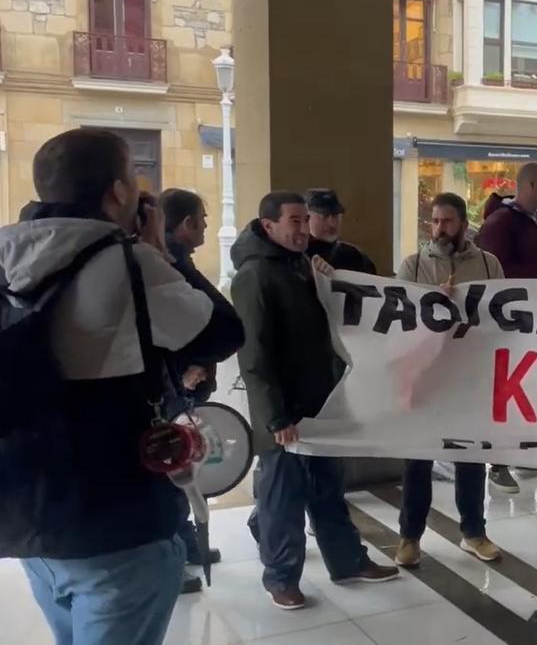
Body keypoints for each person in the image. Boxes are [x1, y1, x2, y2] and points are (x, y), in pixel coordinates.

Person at [0, 128, 243, 644]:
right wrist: (165, 253)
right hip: (113, 525)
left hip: (24, 517)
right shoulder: (130, 263)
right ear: (116, 192)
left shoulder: (4, 257)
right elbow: (223, 333)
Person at [232, 191, 399, 610]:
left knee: (327, 490)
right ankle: (281, 578)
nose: (304, 229)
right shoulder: (255, 276)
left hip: (319, 405)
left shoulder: (301, 267)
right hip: (285, 415)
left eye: (306, 220)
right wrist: (274, 417)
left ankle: (347, 561)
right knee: (282, 499)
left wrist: (329, 282)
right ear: (268, 226)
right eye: (294, 221)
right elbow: (255, 356)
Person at [394, 193, 503, 568]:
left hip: (471, 378)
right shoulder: (413, 265)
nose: (440, 228)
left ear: (464, 225)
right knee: (417, 462)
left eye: (448, 222)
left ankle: (474, 532)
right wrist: (433, 307)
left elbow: (505, 317)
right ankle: (410, 537)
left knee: (471, 457)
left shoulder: (489, 265)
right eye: (436, 222)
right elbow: (401, 319)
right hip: (426, 378)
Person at [476, 163, 537, 494]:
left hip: (532, 320)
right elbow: (493, 272)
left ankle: (526, 453)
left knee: (529, 390)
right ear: (529, 185)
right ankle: (497, 463)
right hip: (506, 323)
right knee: (506, 391)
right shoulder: (499, 223)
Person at [157, 187, 228, 595]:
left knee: (179, 471)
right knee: (171, 473)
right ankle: (173, 557)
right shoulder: (167, 267)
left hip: (179, 385)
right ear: (184, 225)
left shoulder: (174, 262)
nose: (205, 227)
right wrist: (184, 371)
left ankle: (183, 545)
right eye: (201, 220)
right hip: (169, 389)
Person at [304, 188, 377, 274]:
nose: (331, 224)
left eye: (335, 216)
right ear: (306, 217)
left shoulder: (355, 256)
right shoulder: (295, 258)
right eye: (324, 216)